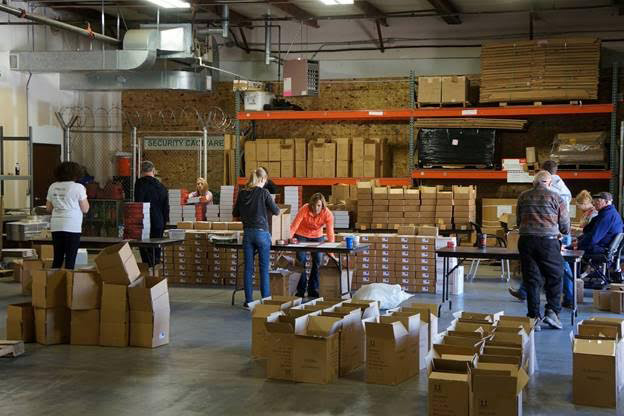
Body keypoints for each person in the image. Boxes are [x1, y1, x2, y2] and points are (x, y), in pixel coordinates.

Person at [509, 159, 573, 303]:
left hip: (537, 237)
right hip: (552, 236)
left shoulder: (527, 195)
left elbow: (519, 220)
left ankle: (565, 298)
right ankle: (553, 309)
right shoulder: (562, 188)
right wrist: (565, 231)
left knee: (543, 271)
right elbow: (564, 219)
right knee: (555, 271)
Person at [516, 170, 570, 329]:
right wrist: (563, 232)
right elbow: (565, 225)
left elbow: (518, 220)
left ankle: (534, 317)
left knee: (532, 279)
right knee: (555, 276)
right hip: (548, 243)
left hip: (526, 241)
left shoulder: (523, 196)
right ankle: (552, 312)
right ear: (550, 183)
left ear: (534, 182)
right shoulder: (556, 197)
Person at [233, 168, 280, 309]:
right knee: (264, 269)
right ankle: (265, 301)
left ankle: (248, 302)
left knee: (248, 269)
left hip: (247, 233)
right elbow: (276, 210)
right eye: (265, 181)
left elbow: (235, 212)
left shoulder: (242, 193)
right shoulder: (264, 193)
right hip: (262, 234)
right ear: (262, 179)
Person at [290, 193, 335, 298]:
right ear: (311, 204)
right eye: (314, 205)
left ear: (323, 205)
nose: (316, 208)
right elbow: (294, 225)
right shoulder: (304, 209)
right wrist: (288, 239)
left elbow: (330, 233)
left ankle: (313, 289)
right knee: (300, 261)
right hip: (301, 235)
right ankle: (300, 290)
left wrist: (331, 252)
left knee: (318, 261)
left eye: (319, 205)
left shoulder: (328, 214)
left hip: (317, 237)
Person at [46, 161, 89, 269]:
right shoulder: (78, 187)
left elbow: (48, 208)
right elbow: (85, 209)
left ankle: (53, 282)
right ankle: (68, 283)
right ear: (76, 173)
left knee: (57, 258)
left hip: (56, 226)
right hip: (72, 226)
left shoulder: (53, 186)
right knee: (70, 259)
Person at [134, 161, 169, 266]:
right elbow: (166, 207)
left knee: (145, 248)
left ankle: (148, 270)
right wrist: (164, 223)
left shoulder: (140, 183)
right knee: (156, 248)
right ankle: (156, 269)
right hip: (159, 221)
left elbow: (138, 203)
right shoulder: (162, 186)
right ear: (153, 170)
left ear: (141, 171)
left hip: (145, 221)